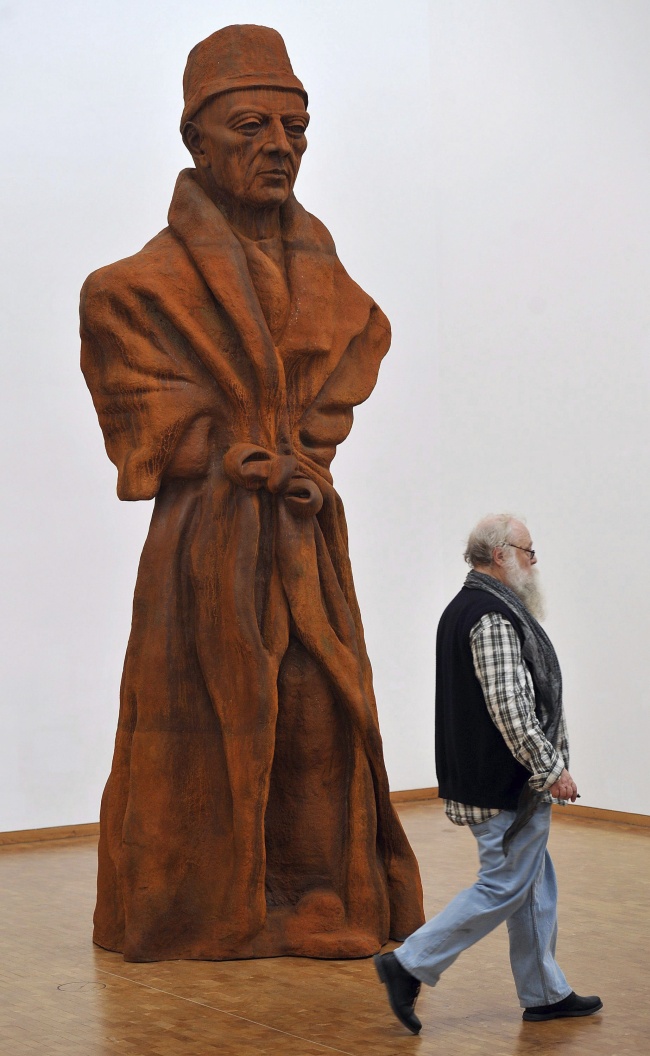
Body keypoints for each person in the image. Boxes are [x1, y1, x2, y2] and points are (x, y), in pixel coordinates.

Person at [80, 24, 424, 962]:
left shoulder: (338, 289)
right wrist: (230, 449)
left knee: (316, 707)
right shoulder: (132, 290)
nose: (280, 146)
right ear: (195, 140)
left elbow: (338, 389)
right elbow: (144, 428)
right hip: (206, 543)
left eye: (295, 128)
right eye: (252, 126)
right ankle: (204, 900)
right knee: (207, 719)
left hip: (302, 532)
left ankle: (318, 892)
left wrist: (296, 454)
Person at [374, 514, 602, 1033]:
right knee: (503, 885)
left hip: (494, 779)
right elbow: (510, 708)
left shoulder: (467, 606)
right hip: (504, 785)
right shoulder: (492, 616)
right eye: (527, 550)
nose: (534, 561)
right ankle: (408, 962)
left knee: (532, 882)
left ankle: (544, 993)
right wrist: (550, 767)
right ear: (500, 555)